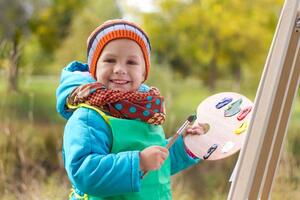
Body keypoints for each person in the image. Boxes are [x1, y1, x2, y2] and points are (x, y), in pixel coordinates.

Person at [56, 19, 203, 200]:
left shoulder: (144, 112)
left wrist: (185, 146)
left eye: (131, 62)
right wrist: (139, 162)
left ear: (143, 73)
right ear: (94, 69)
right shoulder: (89, 116)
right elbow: (84, 172)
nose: (119, 69)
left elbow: (156, 166)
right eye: (110, 60)